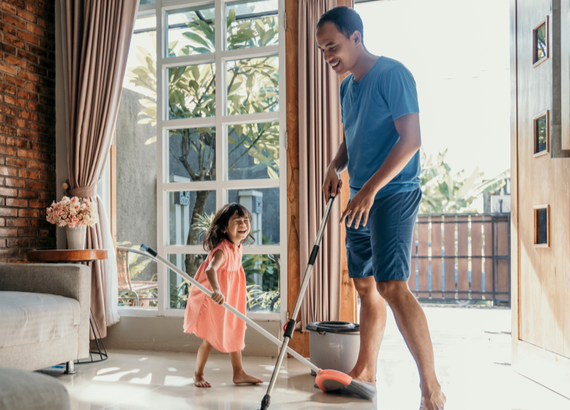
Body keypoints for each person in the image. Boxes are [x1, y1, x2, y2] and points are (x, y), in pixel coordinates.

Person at [316, 7, 446, 410]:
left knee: (392, 285)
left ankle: (431, 390)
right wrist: (334, 166)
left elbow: (411, 140)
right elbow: (352, 137)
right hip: (361, 195)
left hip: (391, 192)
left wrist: (370, 189)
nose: (328, 57)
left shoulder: (393, 74)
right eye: (322, 51)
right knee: (364, 285)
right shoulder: (346, 88)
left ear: (356, 37)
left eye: (332, 46)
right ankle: (366, 372)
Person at [183, 203, 264, 388]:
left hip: (232, 294)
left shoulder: (238, 245)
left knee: (235, 330)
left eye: (245, 220)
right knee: (210, 337)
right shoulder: (222, 249)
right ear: (225, 228)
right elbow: (211, 270)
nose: (243, 223)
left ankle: (239, 373)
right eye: (237, 221)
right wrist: (217, 290)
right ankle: (198, 374)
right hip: (214, 296)